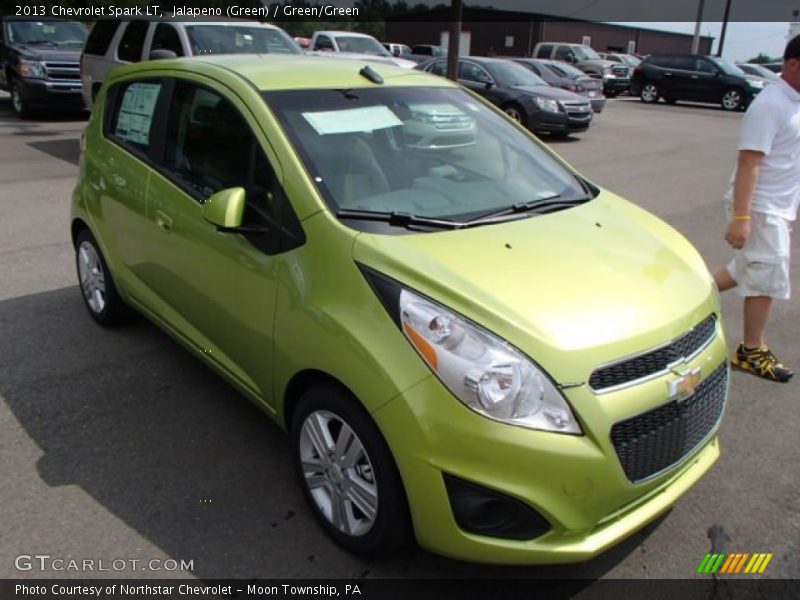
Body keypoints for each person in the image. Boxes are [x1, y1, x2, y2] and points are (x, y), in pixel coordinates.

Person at [712, 35, 800, 382]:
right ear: (793, 64)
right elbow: (749, 161)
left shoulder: (794, 101)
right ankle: (750, 351)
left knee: (747, 268)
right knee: (767, 278)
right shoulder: (771, 104)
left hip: (777, 207)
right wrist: (742, 218)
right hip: (759, 208)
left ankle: (686, 293)